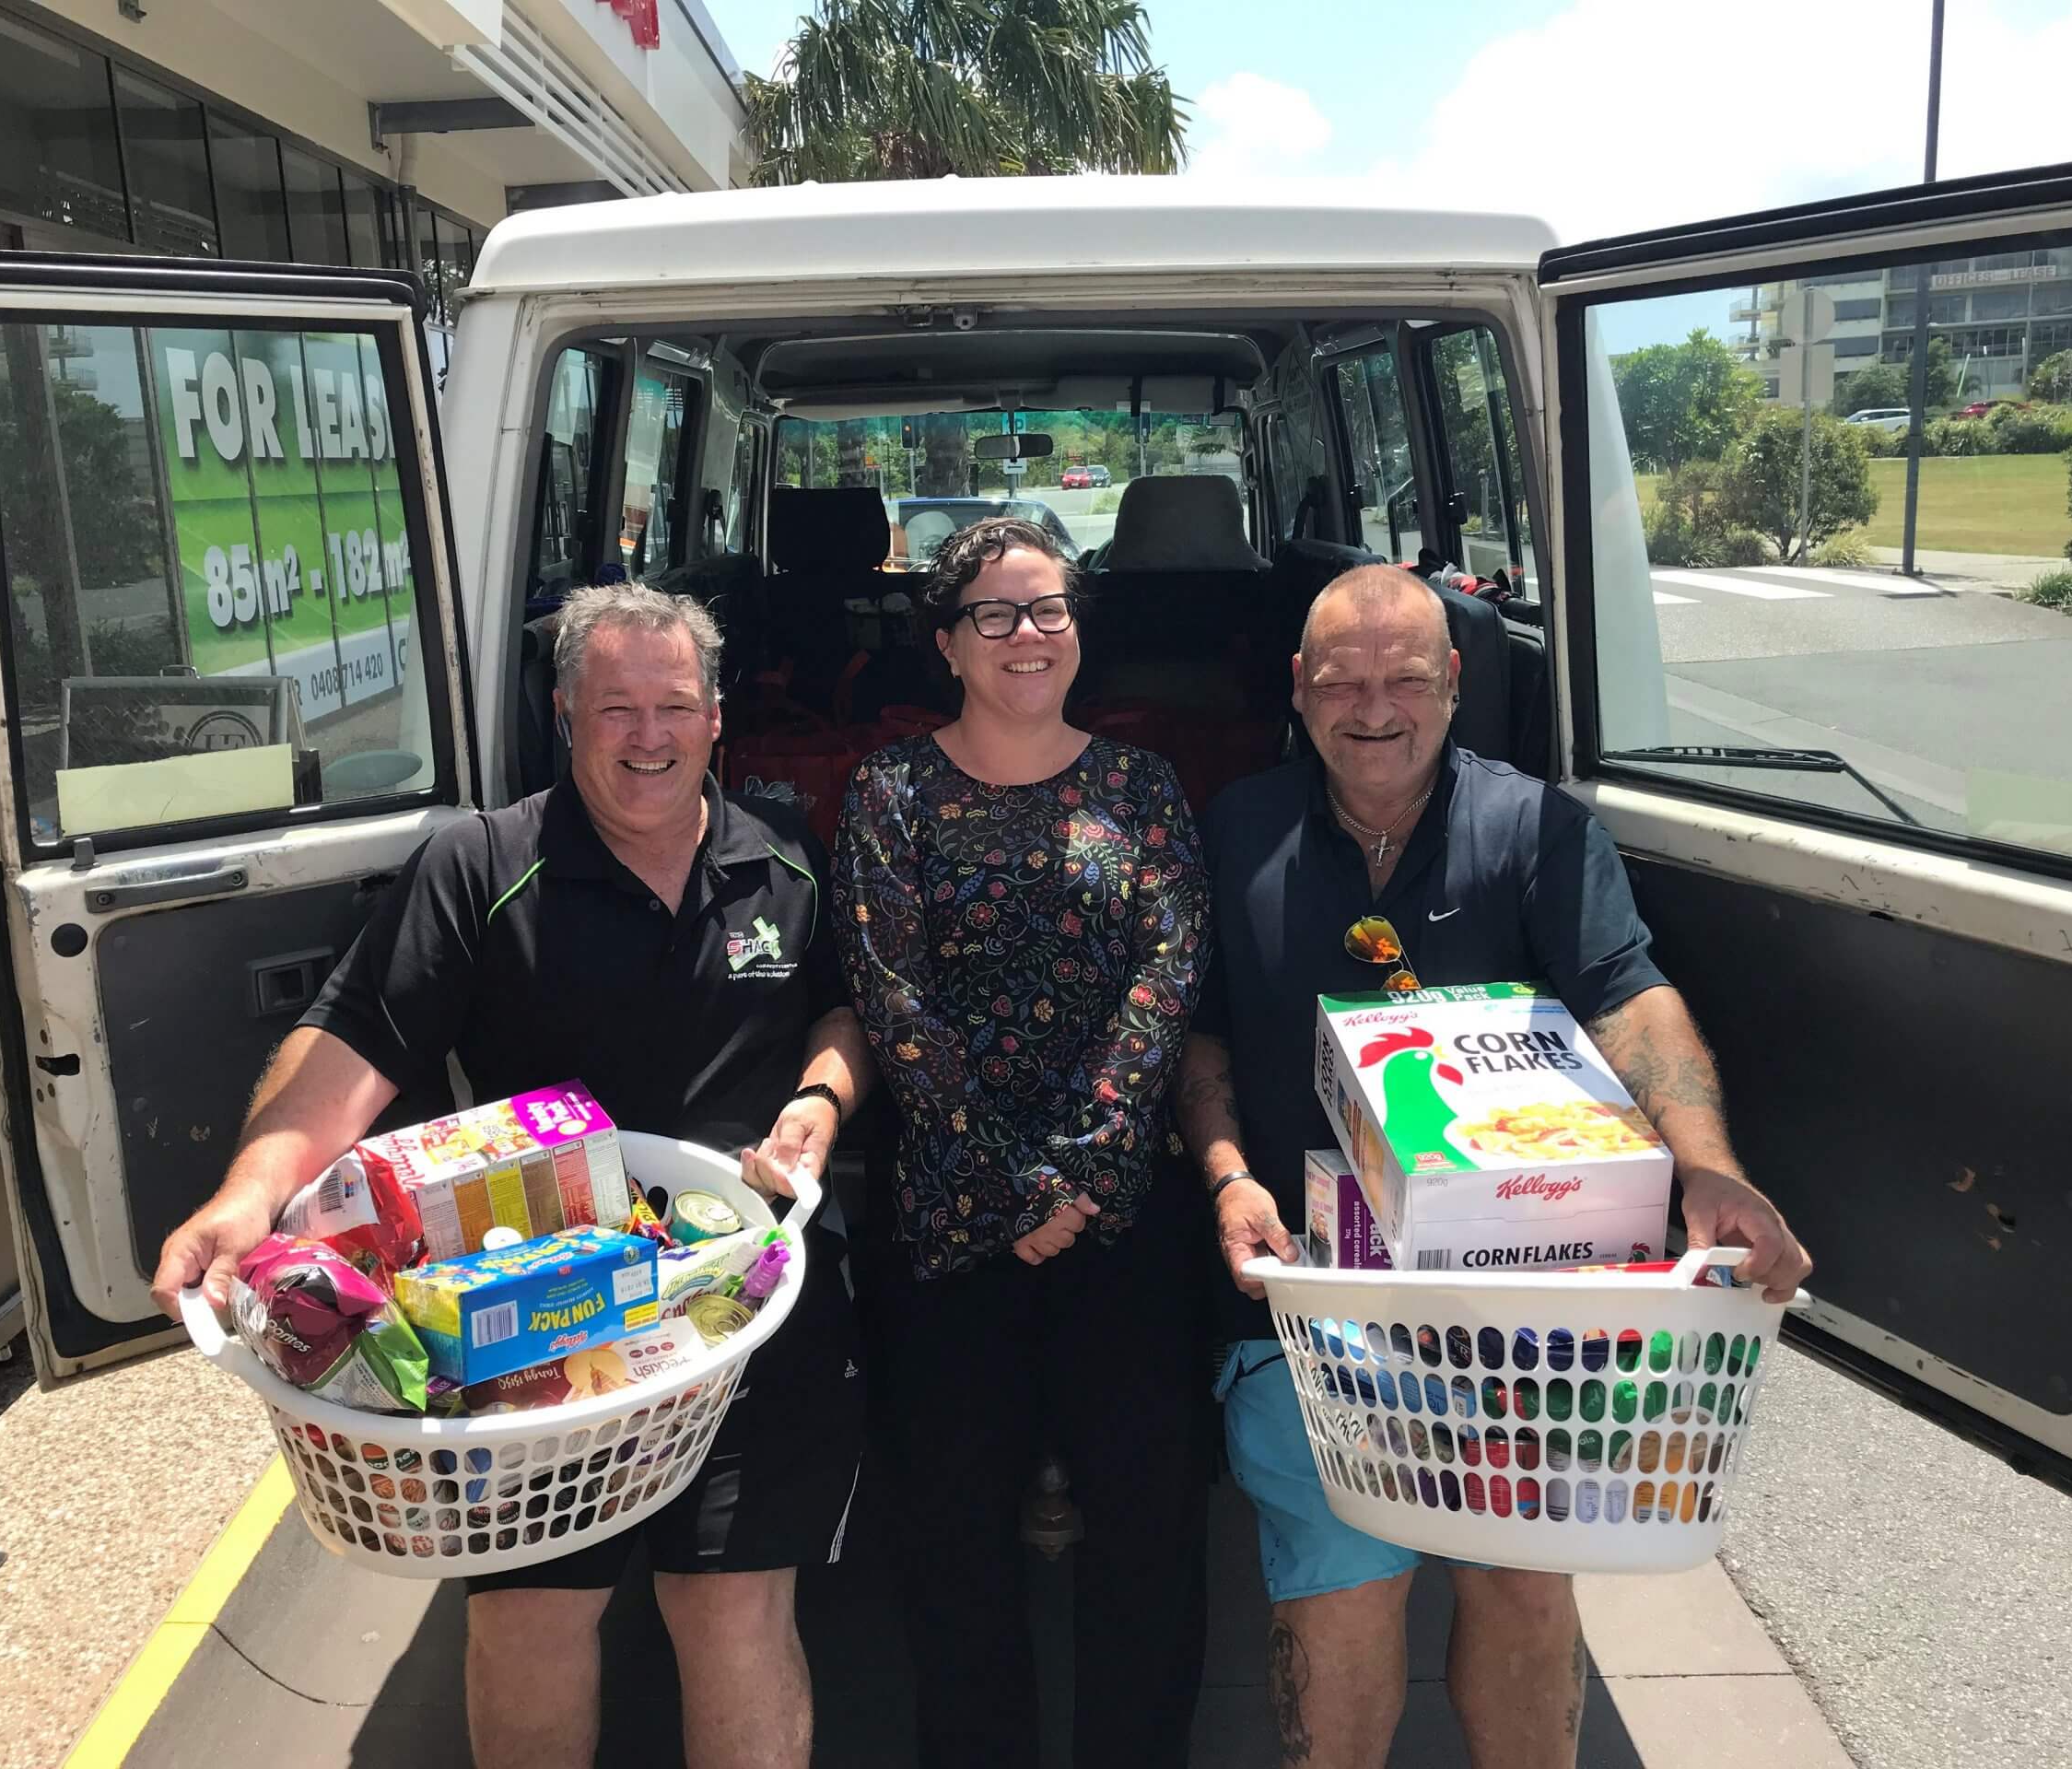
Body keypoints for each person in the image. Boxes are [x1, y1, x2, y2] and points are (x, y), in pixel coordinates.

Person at [149, 584, 873, 1769]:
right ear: (563, 715)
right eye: (617, 709)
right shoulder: (481, 863)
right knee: (533, 1616)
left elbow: (841, 1008)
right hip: (527, 1318)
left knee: (734, 1607)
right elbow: (354, 1051)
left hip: (745, 1299)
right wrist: (245, 1196)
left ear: (716, 717)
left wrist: (818, 1098)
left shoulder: (785, 850)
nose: (650, 737)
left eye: (675, 706)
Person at [1175, 565, 1811, 1769]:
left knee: (1523, 1586)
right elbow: (1196, 1033)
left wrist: (1710, 1171)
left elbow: (1633, 1003)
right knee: (1345, 1592)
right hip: (1314, 1296)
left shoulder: (1536, 830)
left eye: (1407, 679)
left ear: (1455, 684)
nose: (1376, 709)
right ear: (1298, 690)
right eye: (1343, 681)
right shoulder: (1235, 829)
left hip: (1514, 1298)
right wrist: (1225, 1176)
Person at [833, 517, 1212, 1767]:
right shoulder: (890, 795)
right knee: (954, 1544)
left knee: (1149, 1534)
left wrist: (1088, 1174)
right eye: (993, 615)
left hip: (1122, 1219)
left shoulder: (1141, 787)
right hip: (948, 1225)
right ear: (945, 642)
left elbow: (1168, 975)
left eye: (1047, 608)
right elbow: (894, 1000)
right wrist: (1012, 1186)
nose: (1026, 635)